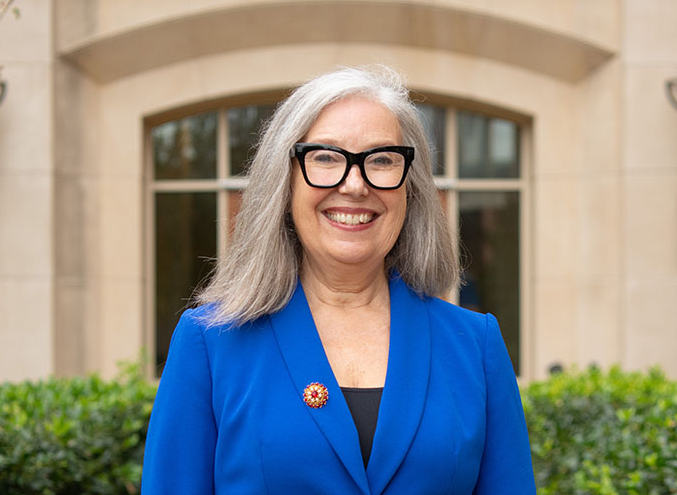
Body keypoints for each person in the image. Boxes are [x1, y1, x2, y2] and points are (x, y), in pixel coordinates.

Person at [141, 66, 536, 494]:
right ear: (285, 181)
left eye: (382, 160)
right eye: (325, 157)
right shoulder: (210, 344)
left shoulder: (475, 346)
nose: (354, 185)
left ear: (411, 187)